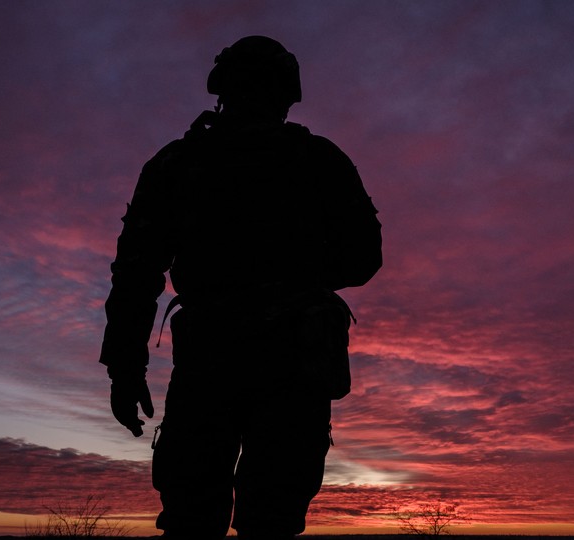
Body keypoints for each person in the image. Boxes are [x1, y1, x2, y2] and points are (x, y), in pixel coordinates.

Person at [98, 35, 382, 539]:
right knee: (253, 518)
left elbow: (137, 276)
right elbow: (362, 259)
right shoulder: (317, 161)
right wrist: (295, 279)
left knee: (205, 517)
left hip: (232, 359)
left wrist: (126, 368)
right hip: (268, 361)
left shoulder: (179, 163)